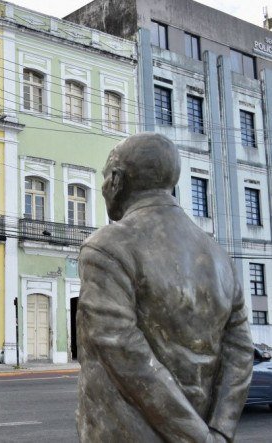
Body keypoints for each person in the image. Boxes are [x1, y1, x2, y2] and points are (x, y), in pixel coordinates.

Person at [76, 133, 254, 442]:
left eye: (105, 177)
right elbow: (240, 351)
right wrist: (220, 431)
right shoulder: (216, 254)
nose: (104, 187)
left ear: (117, 180)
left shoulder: (108, 247)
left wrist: (197, 437)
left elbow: (126, 356)